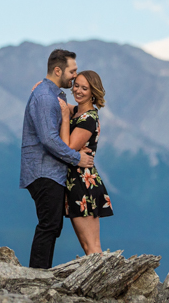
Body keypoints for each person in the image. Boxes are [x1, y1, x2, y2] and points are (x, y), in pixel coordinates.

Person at [20, 49, 94, 269]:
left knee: (52, 225)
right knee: (49, 225)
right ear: (58, 70)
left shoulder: (51, 94)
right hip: (44, 171)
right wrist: (76, 158)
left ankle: (39, 275)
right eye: (72, 71)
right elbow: (49, 140)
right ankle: (36, 277)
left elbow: (74, 111)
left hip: (49, 172)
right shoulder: (44, 97)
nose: (74, 76)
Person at [59, 70, 113, 255]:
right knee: (89, 246)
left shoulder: (88, 118)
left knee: (92, 247)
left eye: (85, 88)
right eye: (76, 85)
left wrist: (65, 118)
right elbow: (63, 105)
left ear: (93, 92)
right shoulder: (79, 112)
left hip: (83, 184)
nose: (78, 91)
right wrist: (41, 88)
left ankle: (105, 282)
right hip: (79, 181)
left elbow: (67, 147)